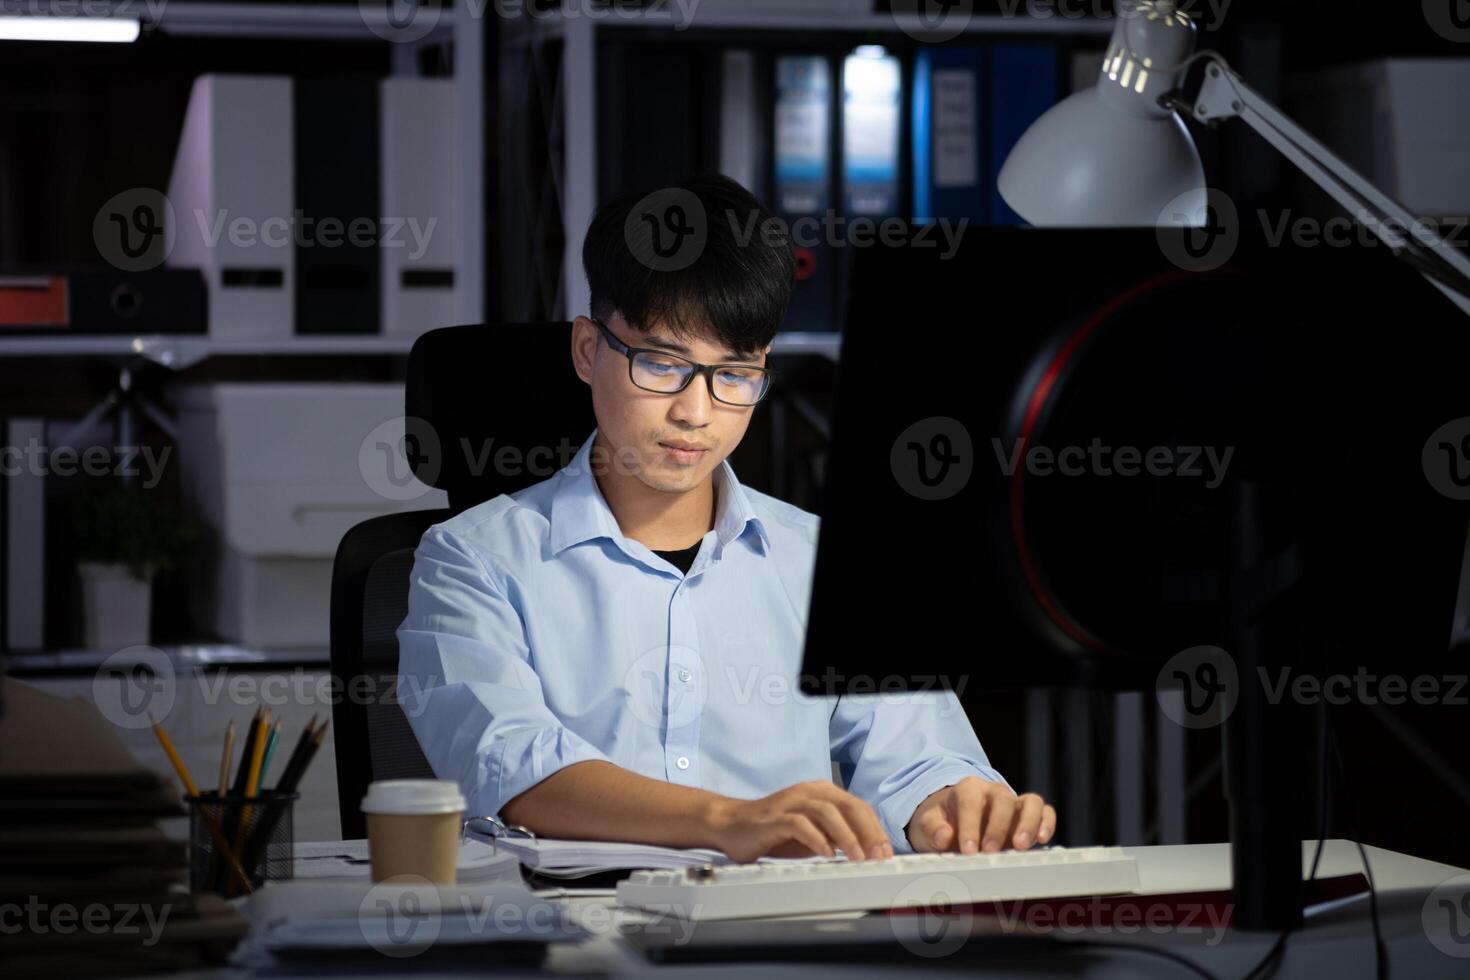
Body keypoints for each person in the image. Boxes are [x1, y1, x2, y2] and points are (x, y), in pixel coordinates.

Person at [397, 173, 1056, 862]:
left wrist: (955, 808)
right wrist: (730, 821)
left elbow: (922, 761)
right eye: (662, 364)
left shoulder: (833, 562)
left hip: (788, 941)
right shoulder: (471, 559)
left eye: (734, 374)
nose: (696, 412)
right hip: (567, 943)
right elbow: (516, 769)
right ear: (589, 350)